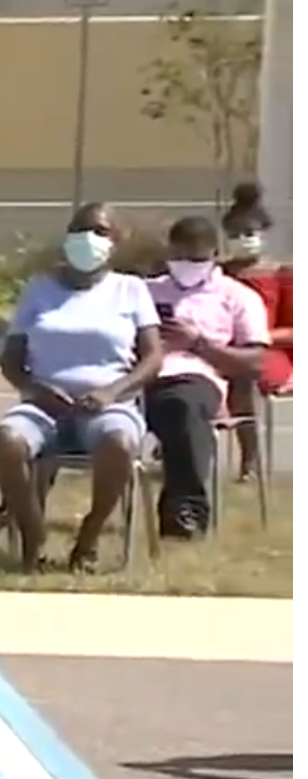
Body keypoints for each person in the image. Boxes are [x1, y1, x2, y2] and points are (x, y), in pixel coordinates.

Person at [0, 203, 163, 571]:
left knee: (118, 442)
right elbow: (10, 361)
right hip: (44, 406)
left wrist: (111, 393)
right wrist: (36, 390)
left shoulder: (129, 290)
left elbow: (152, 359)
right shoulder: (39, 288)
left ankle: (90, 534)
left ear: (118, 241)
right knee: (6, 440)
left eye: (101, 232)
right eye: (82, 230)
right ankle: (31, 531)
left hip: (106, 406)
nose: (89, 239)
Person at [144, 215, 269, 538]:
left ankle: (185, 512)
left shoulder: (238, 297)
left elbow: (254, 362)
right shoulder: (144, 291)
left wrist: (198, 343)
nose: (189, 264)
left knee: (182, 409)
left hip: (193, 379)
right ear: (170, 251)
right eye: (182, 256)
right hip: (135, 376)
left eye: (197, 258)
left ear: (215, 253)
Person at [220, 181, 291, 479]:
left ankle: (249, 459)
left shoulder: (281, 274)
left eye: (249, 233)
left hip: (267, 352)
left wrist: (259, 337)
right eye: (235, 234)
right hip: (217, 348)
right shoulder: (216, 274)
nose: (242, 240)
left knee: (243, 375)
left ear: (262, 232)